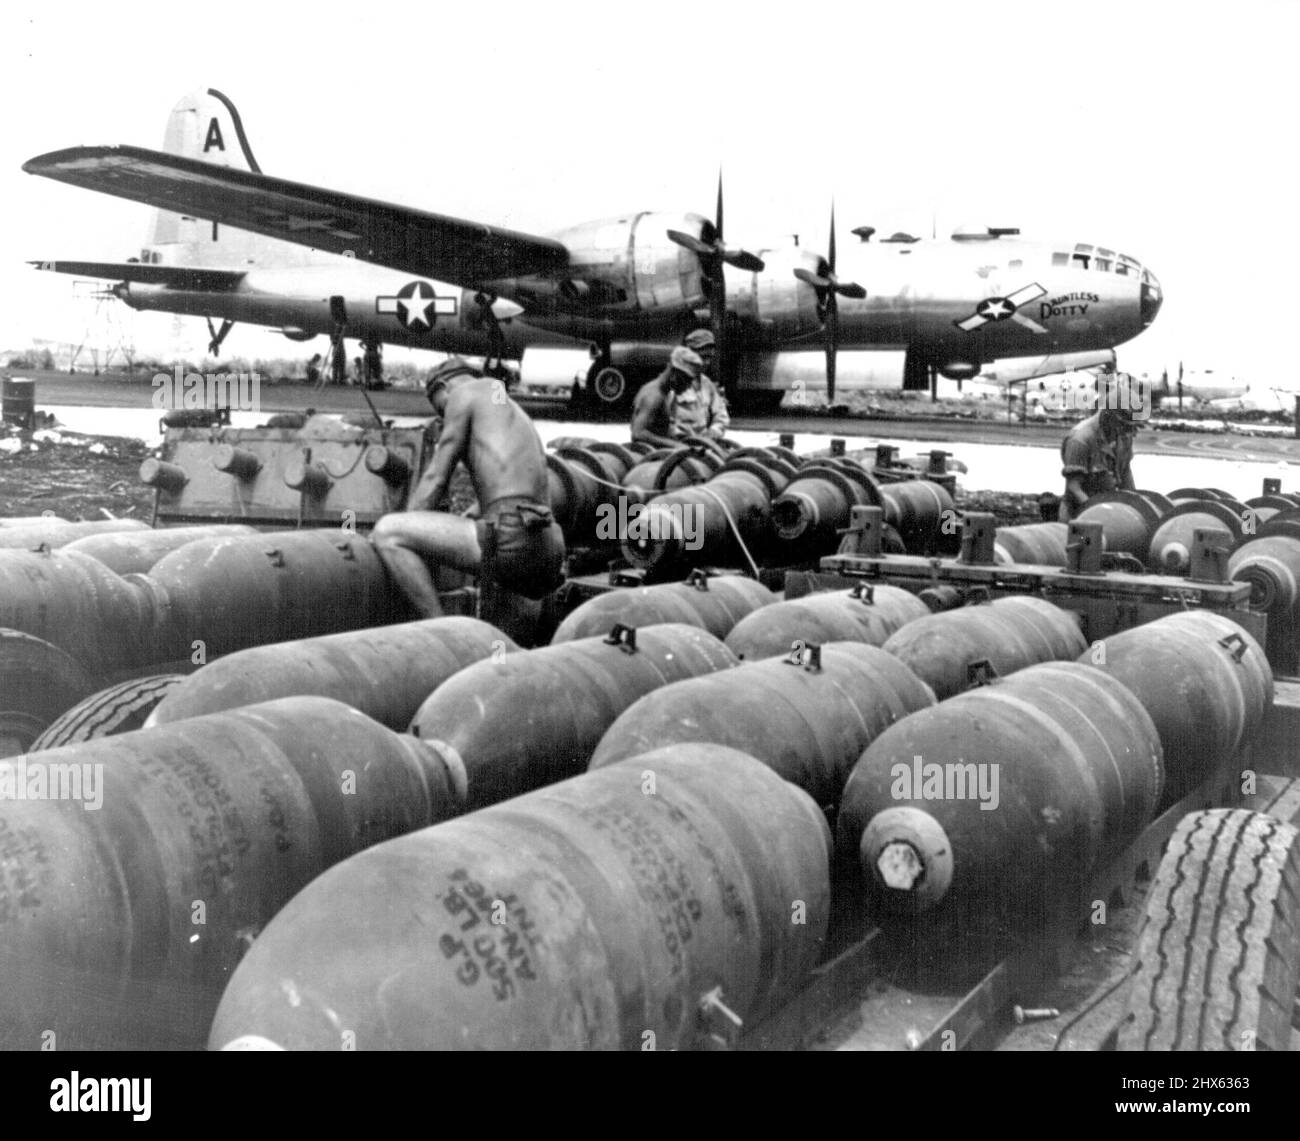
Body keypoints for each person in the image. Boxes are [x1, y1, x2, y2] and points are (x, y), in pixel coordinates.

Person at [371, 357, 565, 619]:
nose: (443, 417)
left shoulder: (463, 394)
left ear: (443, 386)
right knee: (502, 643)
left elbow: (435, 478)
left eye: (439, 408)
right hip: (547, 545)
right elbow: (512, 490)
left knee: (388, 531)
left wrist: (410, 521)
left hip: (510, 539)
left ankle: (442, 630)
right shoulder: (510, 408)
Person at [1057, 405, 1137, 521]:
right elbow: (1074, 489)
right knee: (1084, 539)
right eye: (1124, 425)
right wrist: (1099, 514)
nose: (1129, 432)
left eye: (1130, 427)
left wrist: (1134, 506)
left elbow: (1125, 474)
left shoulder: (1123, 435)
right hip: (1079, 514)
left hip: (1110, 511)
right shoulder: (1080, 439)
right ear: (1108, 417)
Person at [630, 346, 702, 448]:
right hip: (648, 458)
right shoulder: (654, 395)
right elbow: (638, 433)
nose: (688, 386)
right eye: (686, 379)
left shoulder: (666, 393)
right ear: (674, 373)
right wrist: (675, 445)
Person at [673, 329, 731, 439]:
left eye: (710, 357)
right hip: (678, 444)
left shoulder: (707, 384)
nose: (707, 362)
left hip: (703, 444)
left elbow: (721, 415)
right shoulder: (671, 383)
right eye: (703, 356)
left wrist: (714, 431)